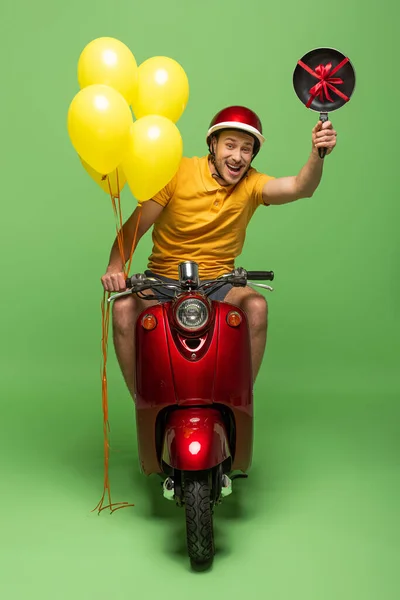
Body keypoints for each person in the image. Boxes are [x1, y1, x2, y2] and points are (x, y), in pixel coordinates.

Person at [101, 106, 337, 398]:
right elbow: (134, 228)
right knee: (123, 309)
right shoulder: (177, 172)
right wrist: (115, 267)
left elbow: (301, 187)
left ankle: (238, 399)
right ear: (212, 145)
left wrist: (318, 153)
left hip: (219, 284)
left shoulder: (252, 184)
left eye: (247, 149)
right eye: (230, 145)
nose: (237, 157)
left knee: (257, 306)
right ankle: (143, 400)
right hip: (161, 282)